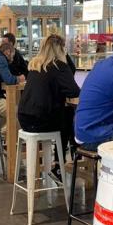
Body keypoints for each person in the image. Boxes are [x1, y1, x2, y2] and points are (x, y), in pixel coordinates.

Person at [18, 35, 80, 175]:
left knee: (65, 114)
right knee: (69, 114)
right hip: (42, 121)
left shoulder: (34, 65)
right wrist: (66, 57)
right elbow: (74, 91)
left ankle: (59, 162)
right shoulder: (59, 66)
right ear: (61, 49)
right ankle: (62, 160)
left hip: (25, 119)